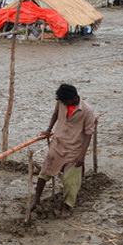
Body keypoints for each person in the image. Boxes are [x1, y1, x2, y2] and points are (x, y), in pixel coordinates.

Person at [31, 84, 95, 216]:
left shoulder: (87, 111)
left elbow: (89, 133)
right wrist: (49, 129)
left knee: (70, 180)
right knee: (44, 172)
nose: (64, 104)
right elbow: (55, 114)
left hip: (74, 148)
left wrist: (82, 155)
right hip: (58, 143)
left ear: (74, 98)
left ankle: (67, 206)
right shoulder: (61, 103)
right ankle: (36, 199)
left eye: (65, 101)